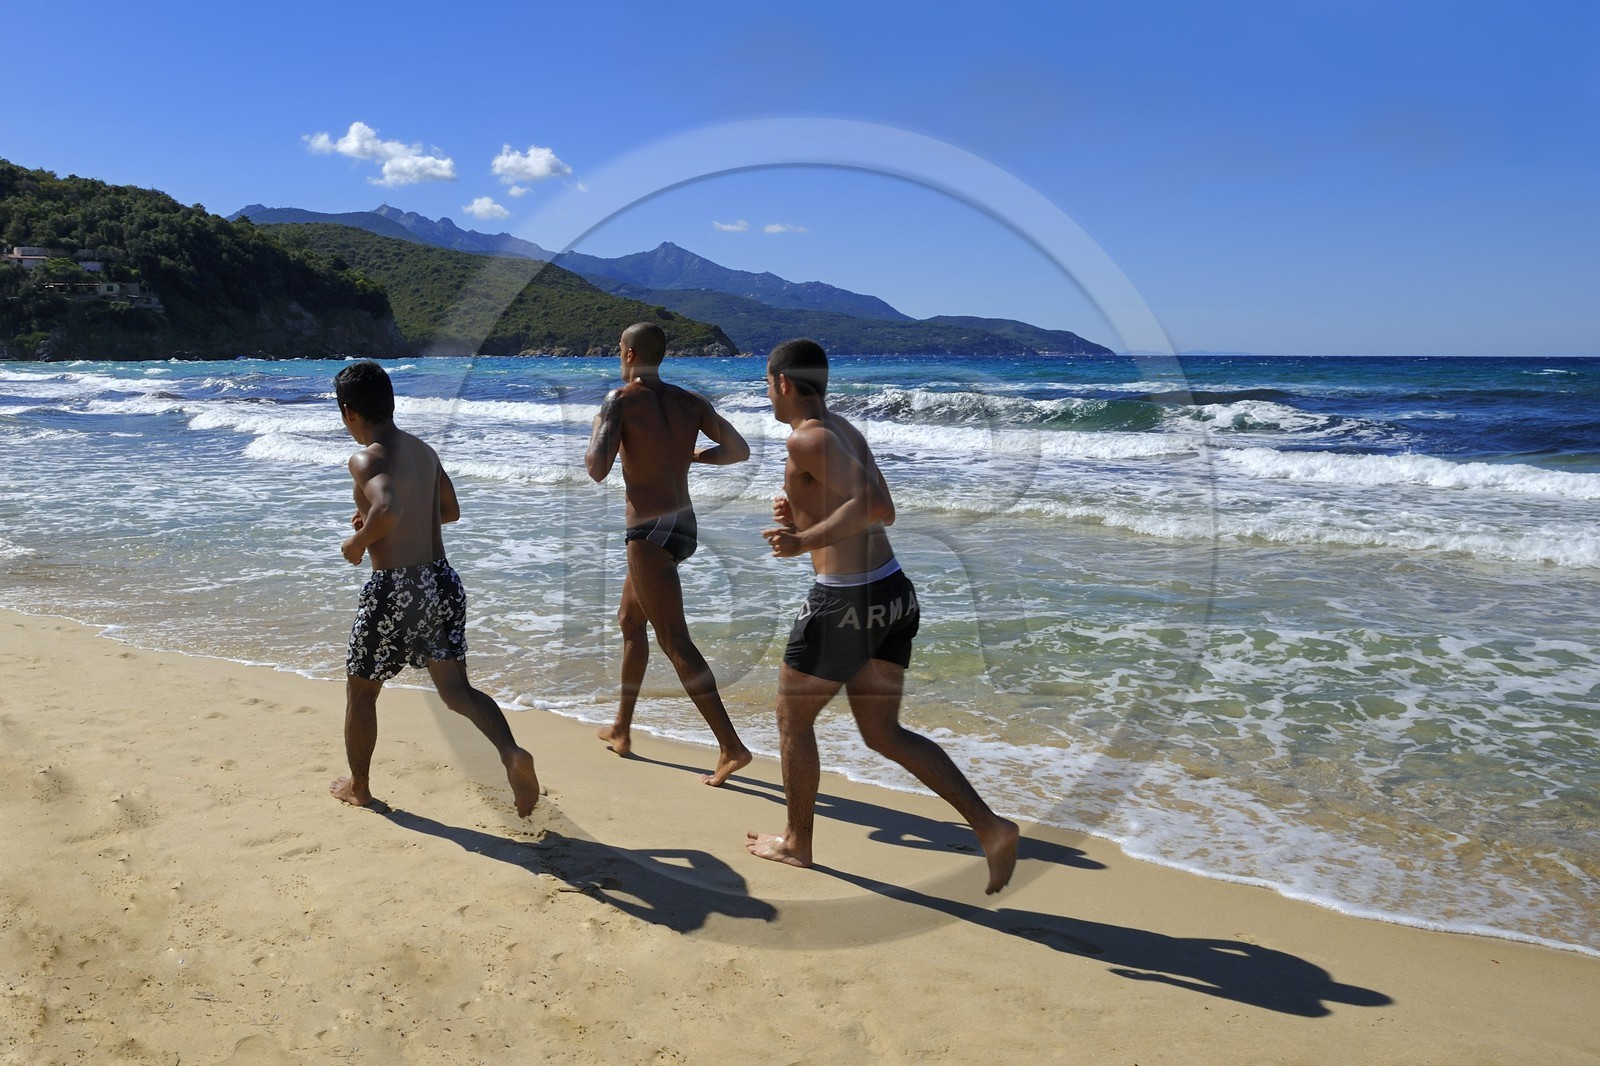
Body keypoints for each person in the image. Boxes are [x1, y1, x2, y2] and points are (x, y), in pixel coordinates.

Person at [747, 338, 1019, 894]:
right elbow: (856, 499)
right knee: (883, 733)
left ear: (782, 384)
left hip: (847, 600)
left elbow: (877, 509)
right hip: (892, 594)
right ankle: (991, 828)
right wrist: (799, 515)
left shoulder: (808, 436)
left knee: (791, 718)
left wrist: (802, 545)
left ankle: (797, 841)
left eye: (766, 386)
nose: (767, 397)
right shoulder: (841, 428)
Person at [330, 360, 540, 817]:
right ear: (391, 402)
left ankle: (359, 787)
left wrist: (358, 540)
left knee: (362, 692)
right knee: (457, 691)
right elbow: (448, 510)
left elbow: (389, 504)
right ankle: (510, 752)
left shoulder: (366, 456)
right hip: (440, 581)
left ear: (349, 412)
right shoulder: (423, 451)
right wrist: (377, 523)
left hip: (396, 588)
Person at [584, 322, 754, 786]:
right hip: (683, 527)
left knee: (674, 640)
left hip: (647, 532)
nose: (618, 356)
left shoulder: (618, 400)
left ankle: (731, 747)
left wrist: (598, 426)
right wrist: (695, 457)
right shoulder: (690, 402)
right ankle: (621, 727)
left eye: (619, 349)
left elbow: (597, 470)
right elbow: (738, 450)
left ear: (631, 352)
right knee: (629, 621)